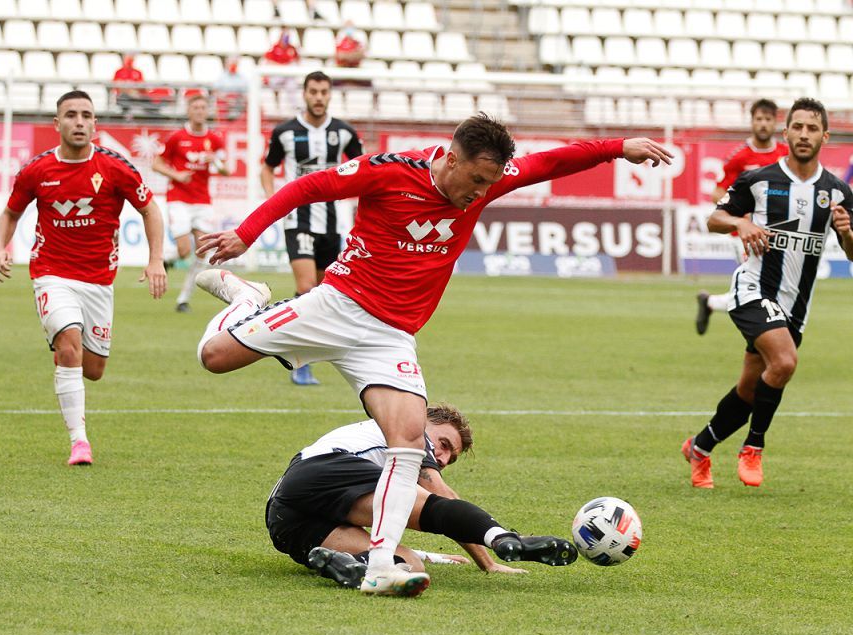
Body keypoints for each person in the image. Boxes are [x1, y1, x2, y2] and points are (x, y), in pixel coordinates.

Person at [192, 113, 671, 596]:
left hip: (389, 335)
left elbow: (549, 162)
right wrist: (248, 233)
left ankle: (380, 564)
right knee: (213, 357)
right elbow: (308, 187)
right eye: (477, 180)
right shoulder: (389, 171)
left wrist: (617, 146)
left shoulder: (490, 181)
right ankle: (248, 299)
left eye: (491, 182)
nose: (481, 191)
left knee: (406, 440)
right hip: (336, 305)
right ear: (451, 158)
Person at [681, 98, 853, 489]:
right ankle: (753, 447)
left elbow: (852, 251)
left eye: (812, 128)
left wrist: (845, 233)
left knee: (748, 391)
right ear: (786, 132)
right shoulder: (759, 180)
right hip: (753, 289)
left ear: (824, 136)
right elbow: (713, 218)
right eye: (798, 127)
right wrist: (739, 225)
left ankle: (700, 448)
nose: (804, 135)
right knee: (786, 363)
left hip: (796, 307)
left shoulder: (837, 192)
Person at [0, 90, 167, 466]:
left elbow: (150, 209)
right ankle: (79, 442)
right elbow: (9, 213)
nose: (79, 122)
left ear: (95, 124)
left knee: (93, 369)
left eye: (86, 115)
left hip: (99, 281)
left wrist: (155, 261)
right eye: (71, 115)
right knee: (69, 343)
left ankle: (63, 350)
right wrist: (0, 247)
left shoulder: (115, 168)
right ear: (57, 124)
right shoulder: (37, 170)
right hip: (51, 275)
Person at [267, 404, 577, 594]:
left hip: (286, 520)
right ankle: (506, 537)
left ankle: (348, 567)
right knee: (426, 505)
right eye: (443, 444)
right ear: (426, 421)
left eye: (449, 458)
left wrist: (434, 556)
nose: (441, 457)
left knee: (408, 569)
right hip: (324, 469)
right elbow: (442, 501)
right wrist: (492, 554)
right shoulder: (411, 428)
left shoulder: (394, 447)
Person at [260, 71, 363, 385]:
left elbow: (366, 170)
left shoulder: (343, 132)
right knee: (306, 289)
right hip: (299, 220)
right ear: (304, 94)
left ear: (330, 95)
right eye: (313, 92)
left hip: (333, 223)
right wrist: (274, 201)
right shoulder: (285, 132)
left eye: (323, 92)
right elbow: (267, 167)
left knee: (321, 295)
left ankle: (299, 351)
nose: (318, 97)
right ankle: (298, 362)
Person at [697, 99, 788, 335]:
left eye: (768, 119)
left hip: (776, 232)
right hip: (745, 234)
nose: (763, 124)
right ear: (752, 122)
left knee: (765, 288)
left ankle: (710, 303)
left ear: (775, 122)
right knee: (759, 288)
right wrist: (740, 212)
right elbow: (719, 191)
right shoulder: (740, 156)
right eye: (759, 119)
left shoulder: (784, 154)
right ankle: (766, 337)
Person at [151, 92, 228, 313]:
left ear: (207, 111)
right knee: (185, 249)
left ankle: (183, 299)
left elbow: (226, 170)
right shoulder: (177, 138)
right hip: (179, 199)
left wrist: (217, 162)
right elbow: (157, 164)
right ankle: (166, 259)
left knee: (203, 251)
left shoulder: (214, 139)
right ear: (189, 111)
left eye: (203, 108)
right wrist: (177, 176)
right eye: (196, 108)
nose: (200, 112)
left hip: (202, 200)